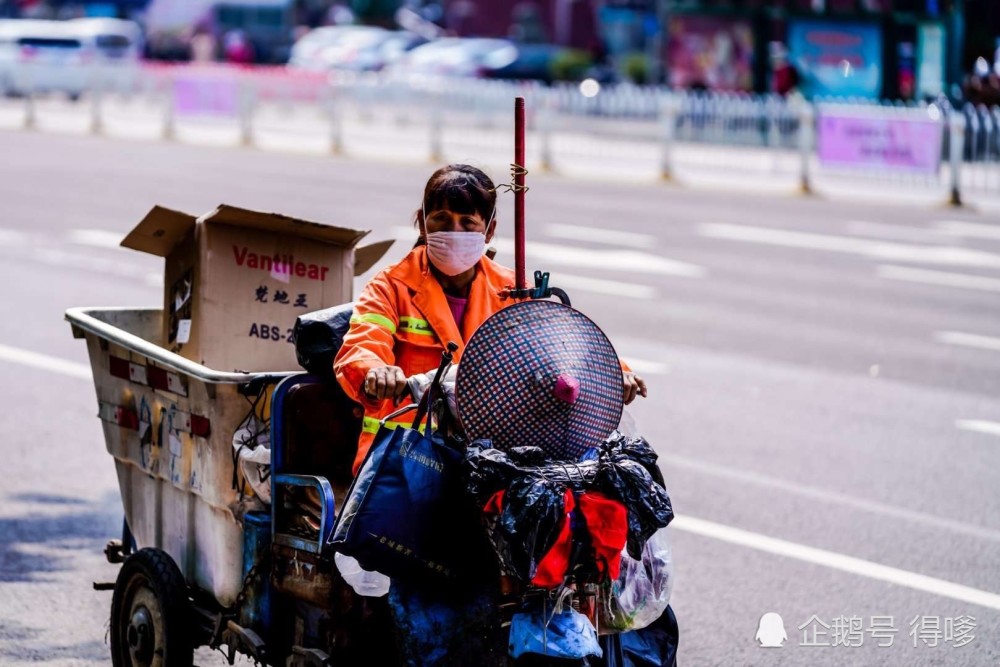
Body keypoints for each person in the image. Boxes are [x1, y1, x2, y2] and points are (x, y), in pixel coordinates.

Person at [334, 163, 647, 474]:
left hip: (492, 459)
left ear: (489, 230)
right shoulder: (390, 286)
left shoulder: (515, 290)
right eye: (441, 220)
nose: (453, 231)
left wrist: (614, 375)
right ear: (421, 222)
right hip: (403, 460)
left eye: (467, 223)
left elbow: (567, 344)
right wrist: (376, 373)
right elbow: (361, 345)